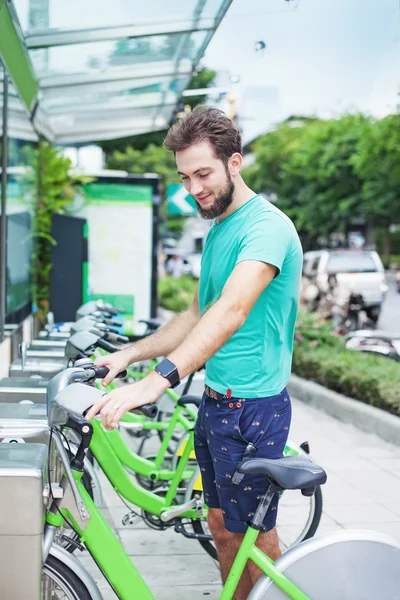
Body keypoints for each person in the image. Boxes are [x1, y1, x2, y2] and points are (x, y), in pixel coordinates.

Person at [86, 106, 303, 599]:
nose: (194, 187)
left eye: (203, 173)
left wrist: (156, 381)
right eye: (185, 177)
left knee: (254, 534)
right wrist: (129, 356)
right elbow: (194, 315)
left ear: (235, 162)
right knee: (221, 524)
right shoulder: (222, 227)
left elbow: (231, 311)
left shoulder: (264, 228)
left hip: (253, 407)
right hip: (218, 402)